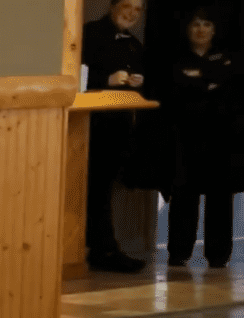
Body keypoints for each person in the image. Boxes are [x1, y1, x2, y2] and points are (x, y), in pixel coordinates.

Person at [165, 7, 239, 268]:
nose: (201, 29)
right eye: (196, 24)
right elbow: (176, 91)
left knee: (220, 198)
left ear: (214, 29)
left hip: (221, 139)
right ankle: (179, 252)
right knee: (184, 196)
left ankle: (219, 255)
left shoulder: (228, 58)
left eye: (206, 24)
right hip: (186, 138)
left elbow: (230, 88)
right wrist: (209, 82)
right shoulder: (176, 59)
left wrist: (197, 79)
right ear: (188, 29)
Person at [81, 0, 149, 273]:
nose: (131, 14)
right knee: (94, 189)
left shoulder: (134, 44)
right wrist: (105, 80)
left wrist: (139, 81)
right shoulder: (91, 33)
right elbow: (76, 74)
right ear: (112, 6)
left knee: (105, 189)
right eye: (127, 6)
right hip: (90, 125)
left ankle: (103, 246)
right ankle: (102, 248)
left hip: (119, 125)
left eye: (137, 10)